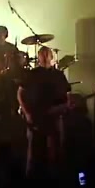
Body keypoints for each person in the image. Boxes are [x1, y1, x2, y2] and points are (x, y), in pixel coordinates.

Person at [17, 46, 72, 179]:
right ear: (38, 57)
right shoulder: (32, 74)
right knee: (33, 153)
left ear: (52, 56)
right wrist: (27, 113)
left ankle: (55, 179)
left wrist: (63, 107)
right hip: (36, 118)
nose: (45, 56)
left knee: (55, 152)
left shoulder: (58, 75)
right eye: (42, 54)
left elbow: (67, 96)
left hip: (54, 117)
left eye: (47, 54)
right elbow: (20, 94)